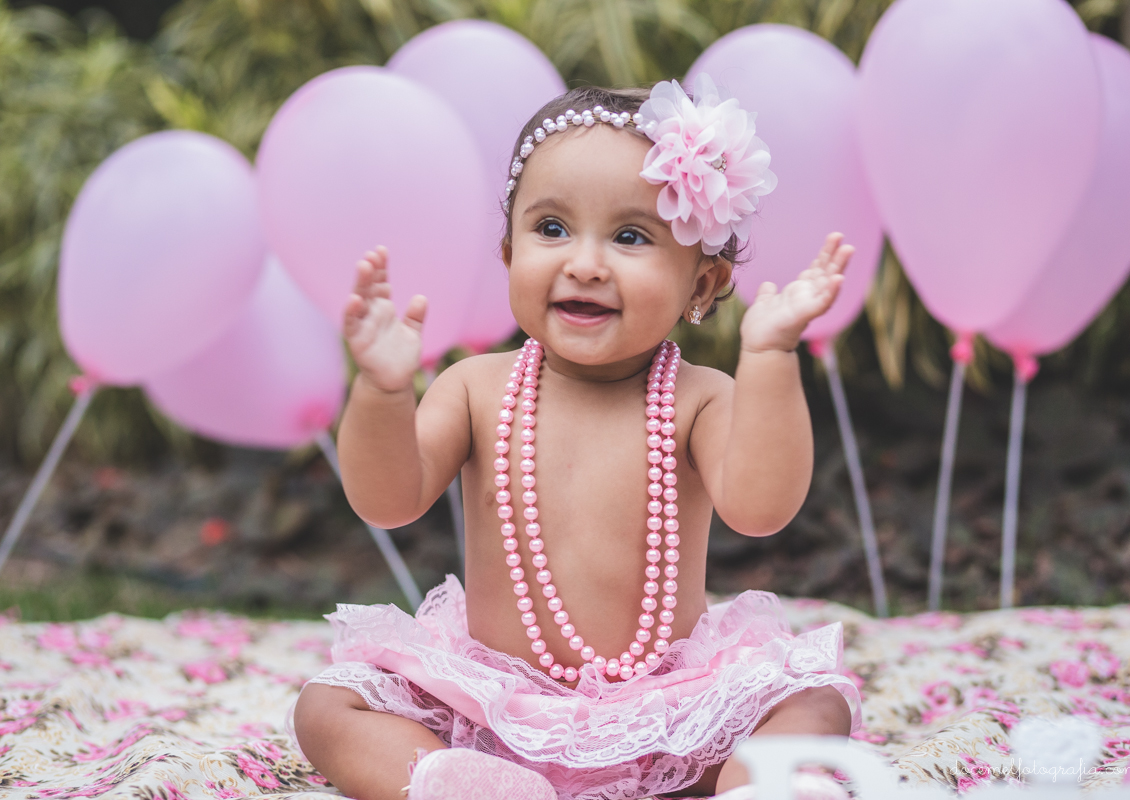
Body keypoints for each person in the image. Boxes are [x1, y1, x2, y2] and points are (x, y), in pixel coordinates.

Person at [290, 75, 860, 800]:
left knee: (815, 701)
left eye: (630, 237)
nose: (583, 262)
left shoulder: (702, 400)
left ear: (703, 285)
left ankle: (751, 787)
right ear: (506, 253)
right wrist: (382, 391)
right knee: (328, 706)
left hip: (668, 721)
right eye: (551, 228)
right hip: (495, 718)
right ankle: (458, 784)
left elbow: (761, 508)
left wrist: (771, 358)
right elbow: (386, 500)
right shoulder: (475, 387)